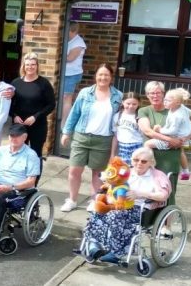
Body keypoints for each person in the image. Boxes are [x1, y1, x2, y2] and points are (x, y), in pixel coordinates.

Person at [82, 147, 170, 264]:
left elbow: (163, 195)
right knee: (97, 210)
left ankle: (116, 253)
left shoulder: (158, 176)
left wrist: (140, 194)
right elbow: (111, 182)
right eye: (135, 160)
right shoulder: (126, 171)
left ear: (151, 162)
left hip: (141, 209)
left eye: (144, 161)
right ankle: (94, 245)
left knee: (116, 216)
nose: (139, 163)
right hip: (118, 204)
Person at [60, 64, 123, 212]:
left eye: (106, 75)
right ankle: (72, 200)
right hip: (82, 136)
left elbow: (120, 119)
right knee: (74, 170)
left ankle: (95, 201)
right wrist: (66, 132)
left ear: (111, 77)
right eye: (100, 75)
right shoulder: (85, 93)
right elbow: (75, 113)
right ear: (95, 76)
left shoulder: (118, 96)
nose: (103, 78)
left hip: (103, 140)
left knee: (98, 173)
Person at [137, 82, 187, 206]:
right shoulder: (144, 111)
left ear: (163, 94)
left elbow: (187, 130)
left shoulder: (175, 110)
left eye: (158, 92)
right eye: (151, 93)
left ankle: (167, 225)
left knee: (168, 193)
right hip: (150, 159)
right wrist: (170, 140)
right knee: (150, 192)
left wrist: (181, 140)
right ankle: (151, 222)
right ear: (147, 95)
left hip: (170, 159)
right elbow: (147, 131)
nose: (155, 96)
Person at [10, 52, 55, 162]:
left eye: (33, 64)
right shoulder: (15, 83)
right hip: (19, 125)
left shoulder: (44, 83)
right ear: (23, 66)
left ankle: (34, 179)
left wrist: (35, 117)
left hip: (37, 125)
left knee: (35, 154)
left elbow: (51, 105)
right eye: (27, 64)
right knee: (18, 152)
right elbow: (9, 104)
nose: (30, 67)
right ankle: (19, 178)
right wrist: (14, 116)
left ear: (37, 66)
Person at [61, 22, 87, 124]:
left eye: (68, 31)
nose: (66, 33)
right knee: (64, 98)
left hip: (71, 74)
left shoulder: (78, 43)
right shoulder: (70, 40)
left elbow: (70, 58)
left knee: (66, 98)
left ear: (74, 31)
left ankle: (63, 123)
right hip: (67, 73)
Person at [112, 92, 143, 162]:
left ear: (139, 104)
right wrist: (112, 154)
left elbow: (143, 135)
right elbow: (115, 136)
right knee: (122, 170)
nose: (131, 106)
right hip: (122, 147)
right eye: (128, 103)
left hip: (137, 146)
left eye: (134, 104)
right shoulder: (117, 116)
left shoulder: (140, 117)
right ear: (123, 102)